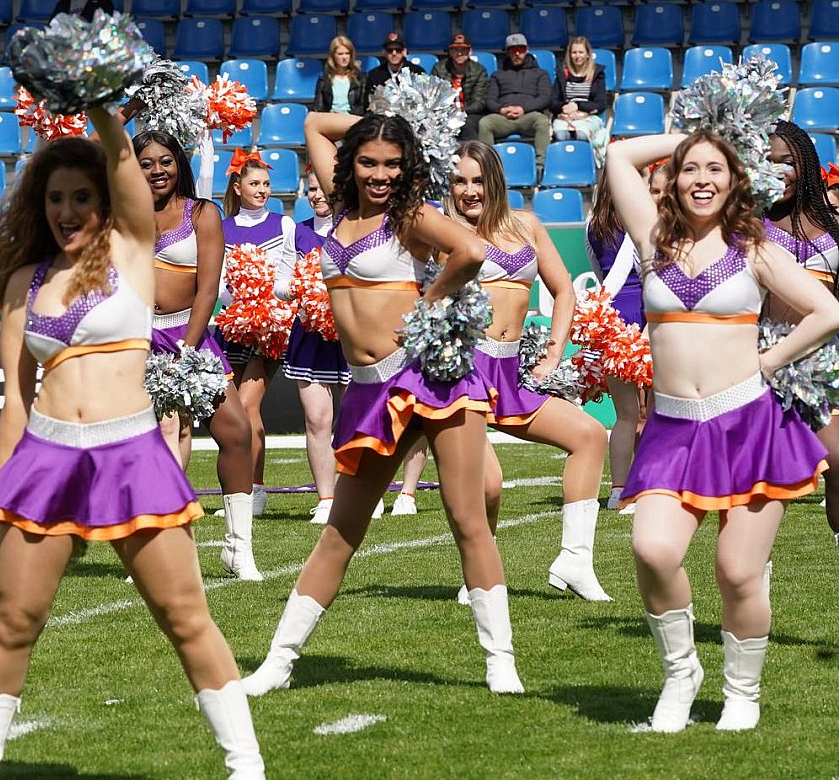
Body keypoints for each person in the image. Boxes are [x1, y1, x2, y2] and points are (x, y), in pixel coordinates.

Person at [0, 111, 268, 780]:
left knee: (184, 615)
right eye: (54, 198)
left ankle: (245, 766)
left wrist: (98, 97)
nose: (67, 211)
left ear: (107, 201)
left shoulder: (132, 249)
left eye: (81, 197)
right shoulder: (24, 282)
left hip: (130, 453)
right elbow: (15, 400)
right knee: (13, 621)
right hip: (46, 459)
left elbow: (123, 158)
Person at [243, 111, 520, 698]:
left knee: (467, 520)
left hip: (430, 378)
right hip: (370, 387)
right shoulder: (344, 207)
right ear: (352, 164)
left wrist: (430, 301)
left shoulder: (409, 215)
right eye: (368, 161)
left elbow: (470, 250)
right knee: (341, 531)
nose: (380, 175)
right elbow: (315, 124)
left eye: (394, 164)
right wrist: (389, 125)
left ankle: (501, 663)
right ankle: (278, 662)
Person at [605, 130, 839, 733]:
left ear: (737, 179)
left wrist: (769, 361)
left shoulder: (755, 246)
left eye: (716, 168)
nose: (702, 179)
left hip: (749, 425)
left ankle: (742, 691)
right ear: (674, 179)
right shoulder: (653, 237)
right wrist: (704, 132)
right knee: (653, 551)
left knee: (738, 572)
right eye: (690, 168)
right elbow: (618, 155)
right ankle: (681, 673)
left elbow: (828, 311)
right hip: (673, 428)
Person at [447, 141, 613, 602]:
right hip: (463, 373)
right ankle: (478, 575)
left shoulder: (527, 225)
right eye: (460, 181)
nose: (469, 191)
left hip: (510, 372)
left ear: (495, 181)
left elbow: (564, 292)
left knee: (590, 436)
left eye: (478, 180)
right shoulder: (443, 232)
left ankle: (575, 561)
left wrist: (553, 355)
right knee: (489, 485)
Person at [131, 128, 261, 580]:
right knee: (144, 447)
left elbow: (207, 290)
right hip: (137, 340)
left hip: (189, 336)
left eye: (165, 161)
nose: (157, 170)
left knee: (237, 432)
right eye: (146, 163)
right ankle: (148, 550)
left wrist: (187, 349)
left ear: (179, 164)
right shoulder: (122, 214)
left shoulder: (202, 213)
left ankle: (238, 549)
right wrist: (130, 110)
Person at [764, 120, 839, 550]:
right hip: (766, 366)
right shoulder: (748, 225)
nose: (778, 171)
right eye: (768, 161)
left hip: (826, 367)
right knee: (764, 484)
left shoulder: (833, 225)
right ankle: (754, 574)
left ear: (806, 164)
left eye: (788, 162)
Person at [215, 150, 296, 520]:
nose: (262, 190)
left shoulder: (284, 225)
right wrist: (240, 304)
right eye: (254, 184)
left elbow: (290, 274)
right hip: (234, 326)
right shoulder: (222, 228)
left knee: (248, 407)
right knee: (231, 412)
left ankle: (254, 491)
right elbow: (217, 281)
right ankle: (239, 491)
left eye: (266, 184)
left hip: (270, 328)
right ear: (238, 187)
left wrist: (267, 303)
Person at [587, 161, 665, 513]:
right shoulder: (643, 225)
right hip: (646, 317)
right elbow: (636, 275)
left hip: (613, 319)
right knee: (654, 412)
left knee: (626, 415)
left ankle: (620, 490)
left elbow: (602, 273)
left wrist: (598, 311)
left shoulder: (593, 224)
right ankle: (647, 486)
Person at [284, 195, 348, 524]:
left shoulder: (355, 227)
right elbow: (280, 282)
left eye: (322, 187)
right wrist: (302, 288)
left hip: (352, 333)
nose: (317, 195)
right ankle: (326, 498)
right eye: (311, 189)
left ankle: (361, 492)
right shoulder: (296, 231)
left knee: (357, 417)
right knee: (317, 420)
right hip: (310, 332)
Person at [479, 34, 553, 171]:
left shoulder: (540, 73)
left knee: (542, 121)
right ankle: (489, 168)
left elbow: (545, 98)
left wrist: (523, 108)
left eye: (521, 49)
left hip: (528, 116)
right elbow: (490, 100)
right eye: (513, 50)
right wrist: (501, 109)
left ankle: (541, 167)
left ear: (527, 50)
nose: (517, 53)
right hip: (503, 118)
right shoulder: (497, 75)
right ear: (507, 52)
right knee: (485, 123)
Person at [550, 36, 610, 165]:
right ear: (569, 55)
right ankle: (565, 166)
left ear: (588, 54)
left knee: (581, 134)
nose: (577, 56)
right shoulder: (562, 74)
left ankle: (584, 166)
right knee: (560, 135)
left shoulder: (597, 74)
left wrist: (578, 106)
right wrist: (565, 109)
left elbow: (601, 104)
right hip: (565, 116)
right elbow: (553, 102)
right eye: (574, 52)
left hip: (589, 116)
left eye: (581, 52)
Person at [431, 34, 489, 142]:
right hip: (444, 113)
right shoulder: (439, 69)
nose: (459, 53)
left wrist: (459, 111)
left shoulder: (479, 70)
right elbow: (434, 97)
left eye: (463, 50)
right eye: (455, 50)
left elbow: (479, 103)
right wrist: (449, 112)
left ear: (470, 51)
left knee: (468, 124)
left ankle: (471, 152)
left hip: (469, 113)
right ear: (450, 51)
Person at [362, 32, 426, 111]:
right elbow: (367, 103)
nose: (394, 53)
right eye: (390, 50)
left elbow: (425, 99)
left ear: (404, 51)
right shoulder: (374, 75)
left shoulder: (417, 72)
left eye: (398, 50)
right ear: (384, 52)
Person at [314, 36, 363, 116]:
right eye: (340, 54)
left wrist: (347, 114)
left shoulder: (360, 78)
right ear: (333, 56)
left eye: (347, 53)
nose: (344, 57)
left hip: (352, 117)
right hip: (330, 117)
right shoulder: (324, 80)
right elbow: (318, 108)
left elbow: (362, 106)